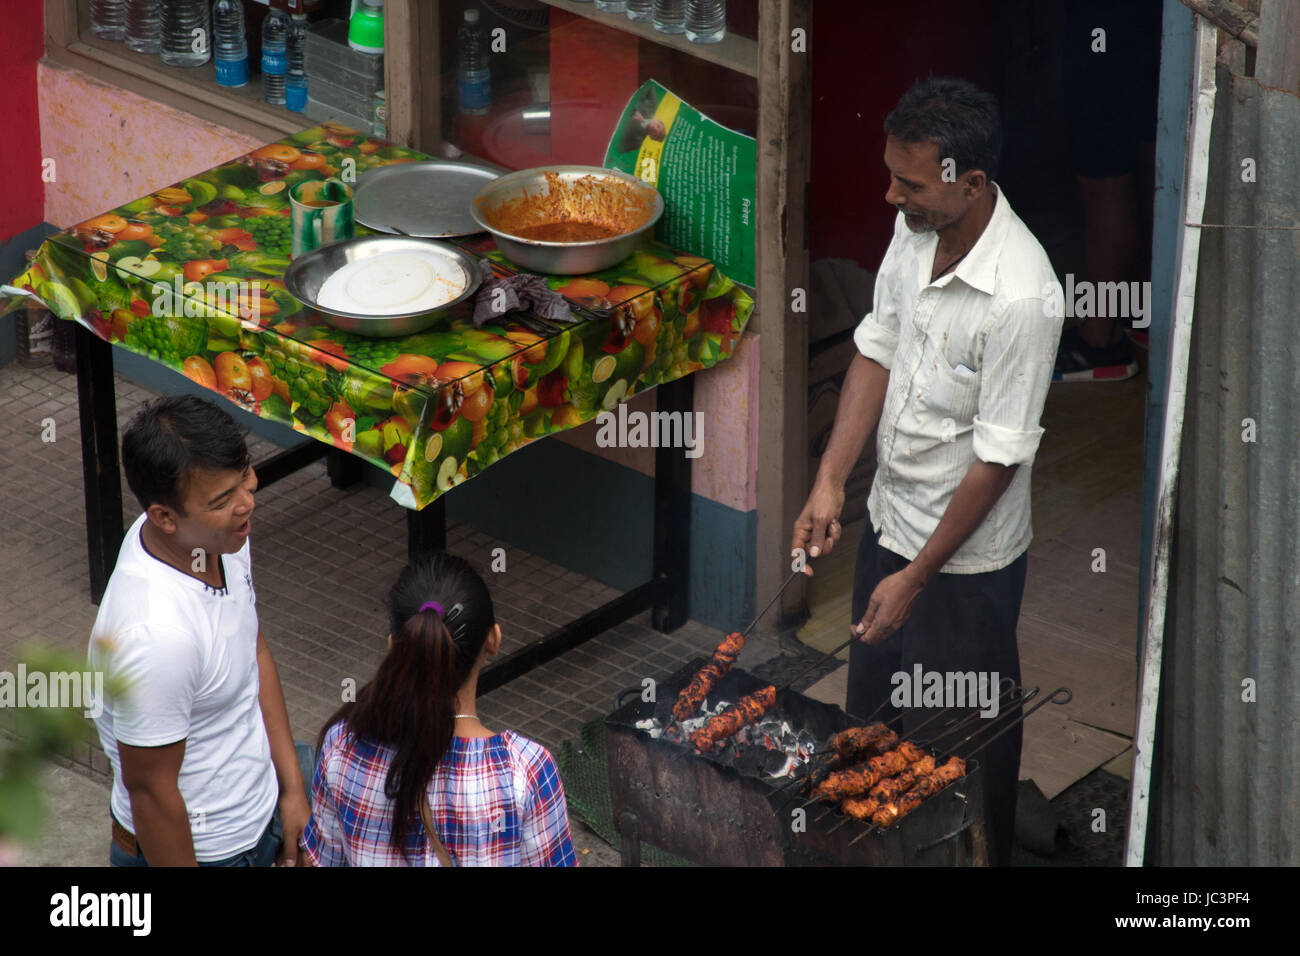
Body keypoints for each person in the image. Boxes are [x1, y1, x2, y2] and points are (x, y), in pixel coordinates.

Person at [791, 77, 1063, 866]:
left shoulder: (1023, 296)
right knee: (873, 731)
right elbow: (877, 349)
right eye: (891, 174)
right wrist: (831, 478)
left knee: (959, 754)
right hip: (888, 522)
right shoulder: (915, 231)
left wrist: (916, 578)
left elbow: (997, 460)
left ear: (968, 184)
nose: (888, 195)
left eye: (907, 182)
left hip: (963, 568)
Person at [89, 394, 311, 867]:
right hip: (211, 853)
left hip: (262, 806)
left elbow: (251, 648)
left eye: (245, 477)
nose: (247, 502)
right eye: (223, 499)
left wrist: (292, 790)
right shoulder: (157, 637)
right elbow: (151, 795)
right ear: (164, 517)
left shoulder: (219, 536)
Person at [302, 552, 576, 867]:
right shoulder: (525, 772)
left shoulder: (343, 744)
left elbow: (321, 860)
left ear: (394, 646)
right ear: (493, 640)